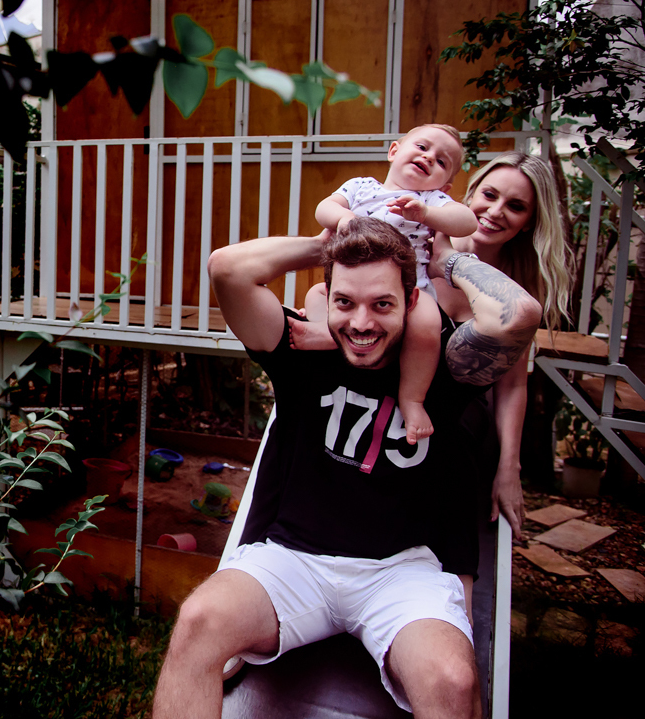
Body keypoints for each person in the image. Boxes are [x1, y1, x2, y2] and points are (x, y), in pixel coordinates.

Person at [151, 218, 541, 719]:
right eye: (345, 302)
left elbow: (519, 314)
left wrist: (448, 261)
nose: (361, 323)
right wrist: (326, 245)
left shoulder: (441, 368)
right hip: (294, 561)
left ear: (412, 301)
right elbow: (227, 267)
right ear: (327, 299)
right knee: (198, 622)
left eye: (382, 304)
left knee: (452, 681)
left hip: (401, 573)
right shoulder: (299, 349)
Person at [305, 124, 477, 446]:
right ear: (394, 151)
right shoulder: (361, 187)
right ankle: (325, 336)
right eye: (423, 147)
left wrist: (426, 213)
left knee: (428, 322)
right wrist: (343, 219)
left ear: (445, 184)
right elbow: (323, 208)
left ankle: (411, 399)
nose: (429, 157)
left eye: (441, 161)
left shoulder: (430, 199)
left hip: (410, 291)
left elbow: (467, 221)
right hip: (354, 286)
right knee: (316, 295)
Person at [431, 151, 573, 537]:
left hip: (458, 429)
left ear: (529, 223)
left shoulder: (517, 287)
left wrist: (510, 467)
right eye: (489, 195)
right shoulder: (423, 241)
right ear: (470, 193)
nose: (495, 212)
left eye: (515, 206)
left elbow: (512, 384)